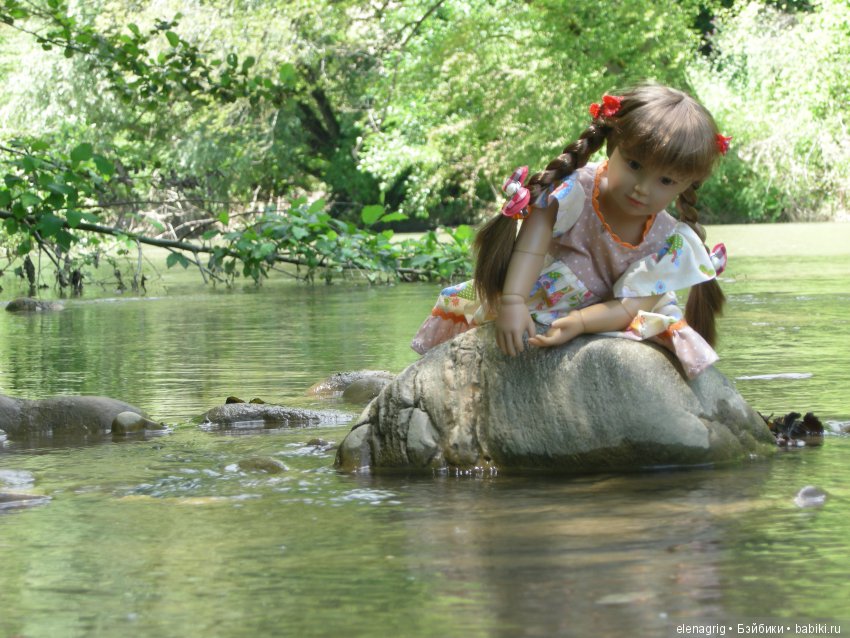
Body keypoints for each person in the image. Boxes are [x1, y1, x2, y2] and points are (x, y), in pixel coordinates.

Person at [411, 83, 731, 378]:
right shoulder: (577, 189)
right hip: (545, 295)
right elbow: (531, 245)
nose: (642, 189)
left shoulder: (668, 241)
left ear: (688, 183)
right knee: (478, 311)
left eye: (666, 181)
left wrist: (580, 323)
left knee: (662, 330)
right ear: (613, 146)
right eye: (634, 165)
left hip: (611, 314)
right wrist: (512, 299)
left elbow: (632, 307)